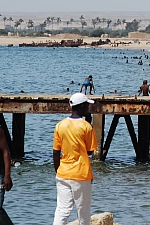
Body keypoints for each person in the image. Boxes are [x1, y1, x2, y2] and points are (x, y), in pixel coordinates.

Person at [52, 93, 97, 225]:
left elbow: (56, 152)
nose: (89, 107)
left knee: (62, 210)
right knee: (83, 212)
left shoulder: (60, 125)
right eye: (87, 105)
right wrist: (88, 121)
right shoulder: (86, 127)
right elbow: (89, 151)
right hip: (81, 174)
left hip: (63, 173)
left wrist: (58, 170)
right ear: (82, 106)